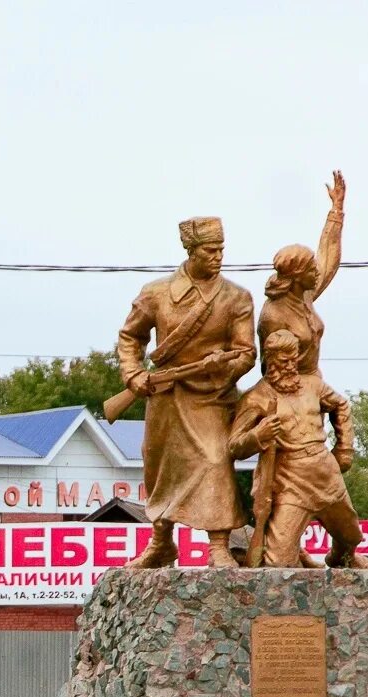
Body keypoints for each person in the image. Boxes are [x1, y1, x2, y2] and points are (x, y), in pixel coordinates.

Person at [113, 216, 255, 568]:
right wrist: (133, 375)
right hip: (166, 397)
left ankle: (219, 545)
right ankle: (161, 542)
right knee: (160, 468)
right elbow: (131, 337)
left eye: (222, 249)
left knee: (215, 460)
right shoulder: (156, 293)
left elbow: (247, 353)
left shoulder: (237, 298)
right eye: (210, 250)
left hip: (213, 396)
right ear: (191, 250)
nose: (219, 256)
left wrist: (224, 364)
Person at [228, 330, 368, 568]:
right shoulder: (256, 398)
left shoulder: (313, 385)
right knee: (278, 562)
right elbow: (234, 446)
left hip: (325, 473)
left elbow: (341, 405)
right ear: (271, 361)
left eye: (295, 359)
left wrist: (344, 449)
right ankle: (295, 557)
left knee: (351, 535)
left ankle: (342, 556)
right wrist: (258, 435)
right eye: (285, 361)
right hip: (290, 480)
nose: (291, 366)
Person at [258, 172, 345, 375]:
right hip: (291, 392)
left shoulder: (302, 295)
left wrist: (336, 210)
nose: (317, 271)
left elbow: (327, 259)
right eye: (311, 269)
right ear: (297, 276)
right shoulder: (273, 315)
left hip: (313, 387)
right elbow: (274, 371)